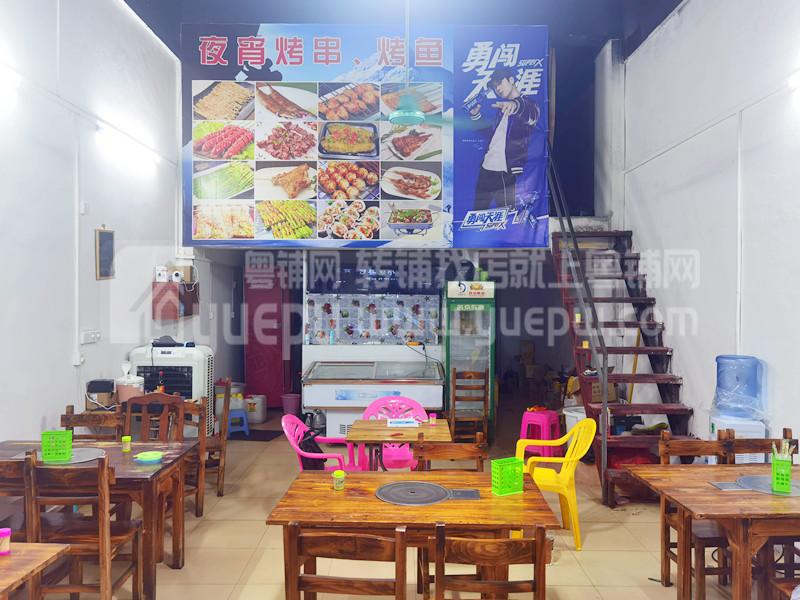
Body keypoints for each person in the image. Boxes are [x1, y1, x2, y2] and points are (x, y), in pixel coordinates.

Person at [469, 66, 540, 211]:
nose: (498, 89)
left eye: (500, 83)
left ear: (511, 80)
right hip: (486, 169)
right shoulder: (502, 109)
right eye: (495, 86)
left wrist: (515, 105)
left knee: (507, 216)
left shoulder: (528, 104)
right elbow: (493, 137)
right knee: (477, 215)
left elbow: (530, 114)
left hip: (506, 172)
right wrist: (476, 116)